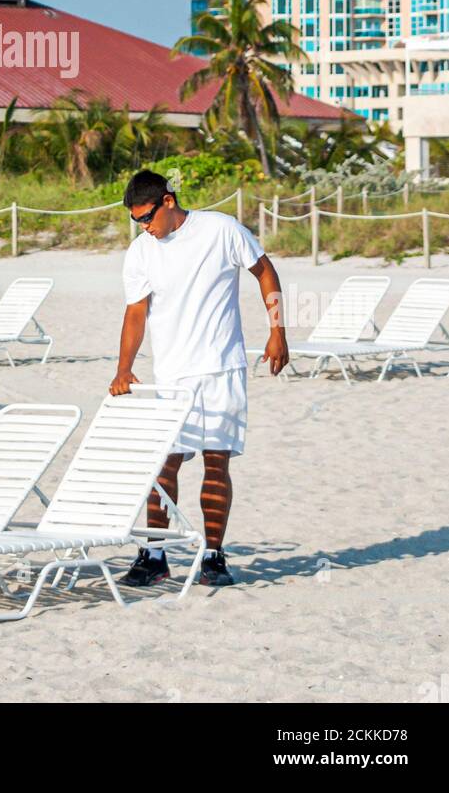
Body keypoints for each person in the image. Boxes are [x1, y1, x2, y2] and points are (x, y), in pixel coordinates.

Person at [109, 169, 289, 588]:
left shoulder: (221, 230)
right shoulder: (140, 252)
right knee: (163, 465)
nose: (144, 227)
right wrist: (123, 367)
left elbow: (265, 272)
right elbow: (136, 312)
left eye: (147, 217)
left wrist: (278, 330)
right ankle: (154, 554)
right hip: (172, 375)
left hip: (222, 368)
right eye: (136, 220)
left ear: (168, 201)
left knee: (216, 462)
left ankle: (213, 555)